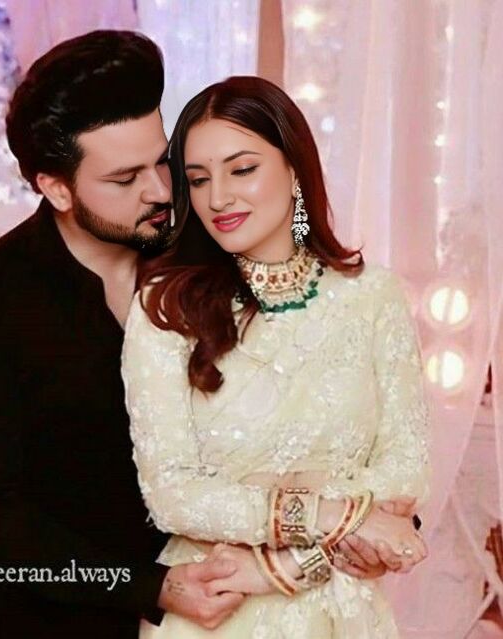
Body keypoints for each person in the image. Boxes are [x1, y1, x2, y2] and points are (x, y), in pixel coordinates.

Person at [0, 31, 247, 639]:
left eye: (162, 161)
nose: (159, 190)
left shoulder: (207, 259)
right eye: (125, 179)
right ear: (56, 187)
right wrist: (150, 587)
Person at [121, 76, 431, 638]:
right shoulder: (165, 309)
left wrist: (281, 569)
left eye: (242, 170)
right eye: (199, 179)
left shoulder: (372, 297)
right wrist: (336, 516)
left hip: (345, 615)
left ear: (294, 170)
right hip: (216, 616)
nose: (218, 197)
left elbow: (405, 470)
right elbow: (172, 494)